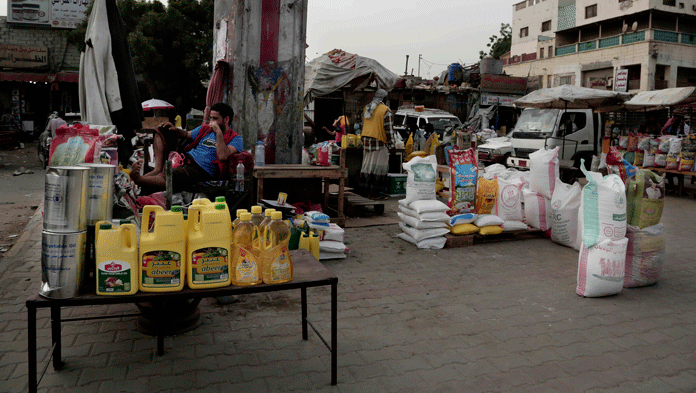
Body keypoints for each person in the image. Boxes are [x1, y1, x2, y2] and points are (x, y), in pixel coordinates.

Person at [130, 102, 242, 192]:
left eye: (215, 119)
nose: (211, 122)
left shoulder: (236, 138)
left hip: (203, 170)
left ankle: (139, 180)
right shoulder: (206, 129)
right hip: (187, 159)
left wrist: (218, 133)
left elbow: (223, 156)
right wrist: (174, 129)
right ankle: (157, 168)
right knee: (162, 130)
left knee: (172, 175)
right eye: (211, 118)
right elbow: (186, 135)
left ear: (226, 119)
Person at [360, 89, 396, 200]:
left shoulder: (367, 108)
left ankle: (364, 193)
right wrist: (392, 144)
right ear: (384, 98)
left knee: (367, 167)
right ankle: (374, 194)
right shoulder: (385, 110)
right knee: (379, 169)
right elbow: (388, 130)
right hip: (379, 143)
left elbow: (363, 125)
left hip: (366, 142)